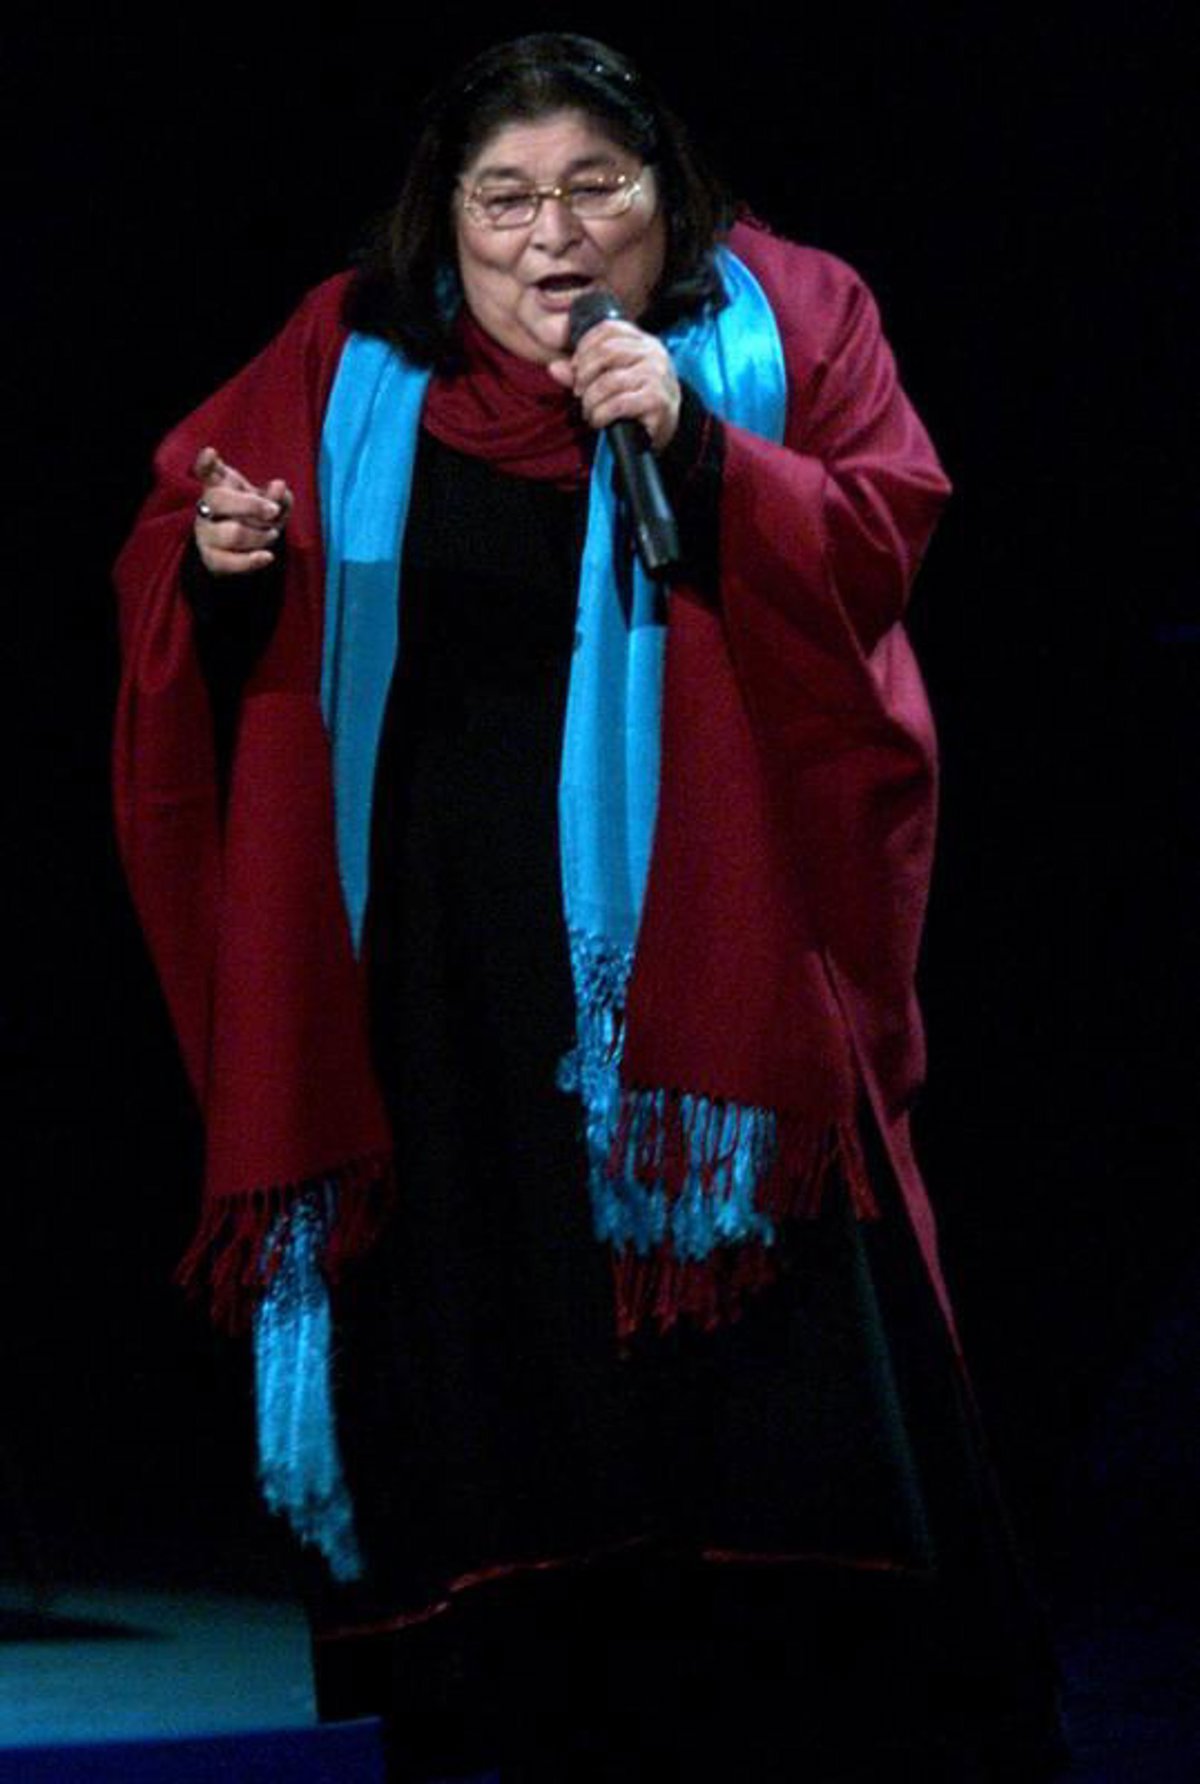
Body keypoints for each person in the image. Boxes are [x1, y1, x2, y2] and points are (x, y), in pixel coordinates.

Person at [114, 32, 1064, 1784]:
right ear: (447, 217)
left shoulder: (792, 317)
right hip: (448, 972)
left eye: (593, 190)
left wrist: (701, 445)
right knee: (502, 1367)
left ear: (664, 196)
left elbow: (882, 543)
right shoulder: (351, 349)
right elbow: (191, 534)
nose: (552, 238)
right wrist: (222, 560)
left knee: (763, 1381)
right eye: (504, 201)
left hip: (709, 949)